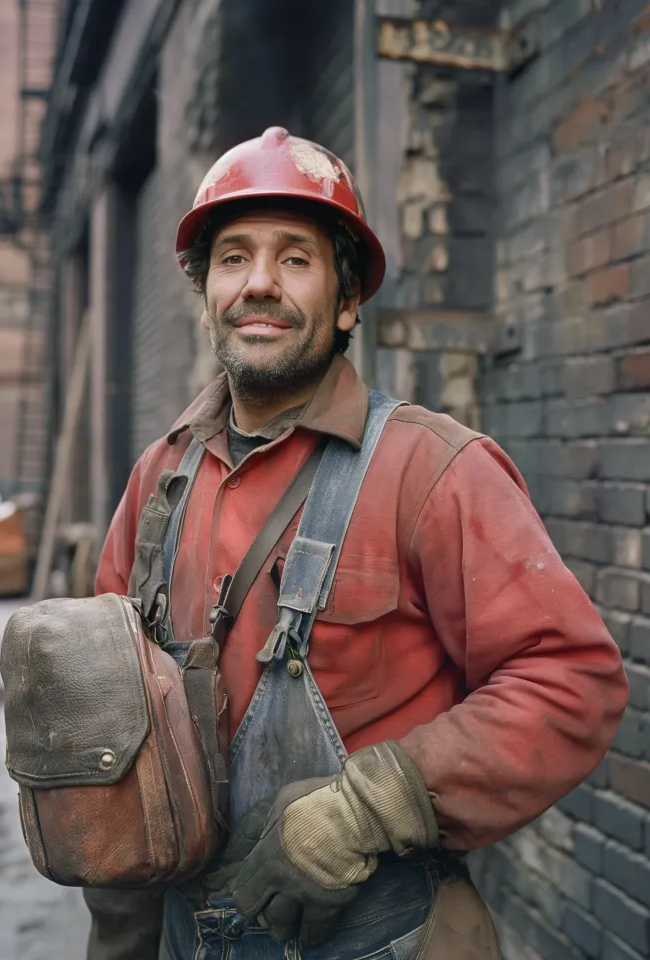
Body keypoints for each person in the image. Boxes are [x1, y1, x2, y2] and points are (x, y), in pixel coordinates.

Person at [86, 127, 628, 960]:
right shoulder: (158, 479)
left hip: (382, 934)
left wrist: (371, 809)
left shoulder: (432, 469)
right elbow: (109, 713)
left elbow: (569, 684)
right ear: (205, 293)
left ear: (346, 301)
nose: (257, 284)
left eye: (294, 259)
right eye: (232, 259)